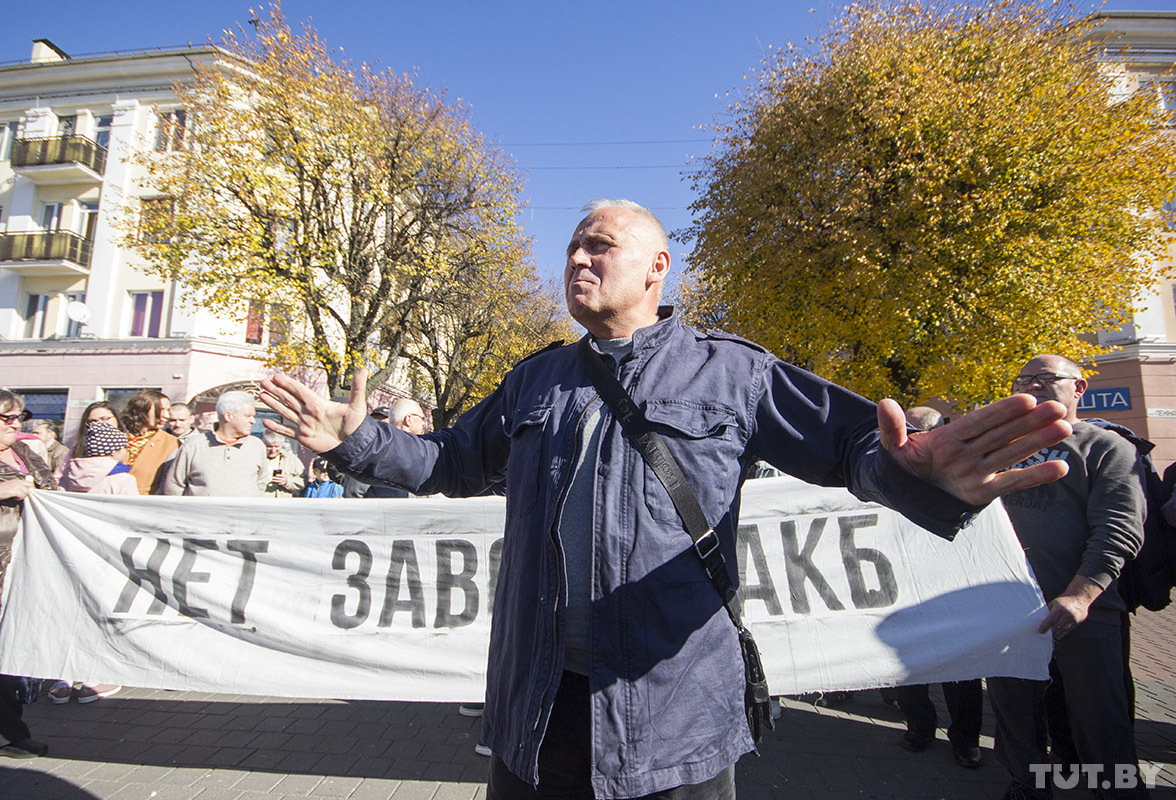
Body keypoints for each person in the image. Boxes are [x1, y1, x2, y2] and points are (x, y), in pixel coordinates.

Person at [259, 199, 1072, 800]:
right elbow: (445, 462)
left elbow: (856, 446)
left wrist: (918, 473)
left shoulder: (733, 371)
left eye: (600, 245)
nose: (578, 258)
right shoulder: (535, 378)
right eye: (573, 246)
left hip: (671, 711)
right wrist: (354, 441)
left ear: (656, 268)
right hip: (536, 707)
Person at [988, 355, 1148, 800]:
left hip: (1084, 612)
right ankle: (1030, 786)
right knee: (1014, 716)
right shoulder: (1001, 447)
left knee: (1100, 721)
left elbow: (1118, 530)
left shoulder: (1107, 447)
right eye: (1025, 379)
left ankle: (1117, 794)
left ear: (1078, 388)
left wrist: (1081, 595)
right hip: (1006, 611)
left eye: (1047, 378)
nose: (1035, 386)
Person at [893, 407, 984, 769]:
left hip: (952, 586)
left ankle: (965, 740)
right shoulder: (892, 468)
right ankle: (919, 727)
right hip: (905, 585)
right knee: (909, 668)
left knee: (961, 673)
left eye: (923, 430)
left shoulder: (967, 470)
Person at [0, 386, 55, 759]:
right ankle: (2, 734)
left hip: (21, 569)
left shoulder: (24, 451)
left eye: (18, 417)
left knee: (7, 654)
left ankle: (8, 731)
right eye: (4, 418)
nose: (14, 424)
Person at [52, 422, 137, 704]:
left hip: (70, 550)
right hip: (104, 553)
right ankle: (91, 677)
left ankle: (61, 679)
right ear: (116, 449)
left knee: (69, 611)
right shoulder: (122, 478)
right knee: (97, 611)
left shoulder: (67, 473)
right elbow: (132, 518)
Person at [162, 391, 265, 497]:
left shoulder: (257, 446)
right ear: (228, 416)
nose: (253, 421)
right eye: (248, 416)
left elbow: (261, 483)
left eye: (253, 416)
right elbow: (174, 487)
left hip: (243, 513)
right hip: (202, 513)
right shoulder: (194, 446)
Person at [120, 390, 178, 495]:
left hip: (145, 502)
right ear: (141, 410)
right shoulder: (117, 437)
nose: (166, 415)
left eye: (168, 410)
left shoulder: (171, 443)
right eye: (160, 410)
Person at [261, 431, 306, 498]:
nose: (273, 450)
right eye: (269, 446)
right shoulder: (256, 458)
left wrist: (287, 481)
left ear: (281, 445)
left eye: (276, 446)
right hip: (259, 500)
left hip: (281, 502)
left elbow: (303, 482)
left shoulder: (291, 459)